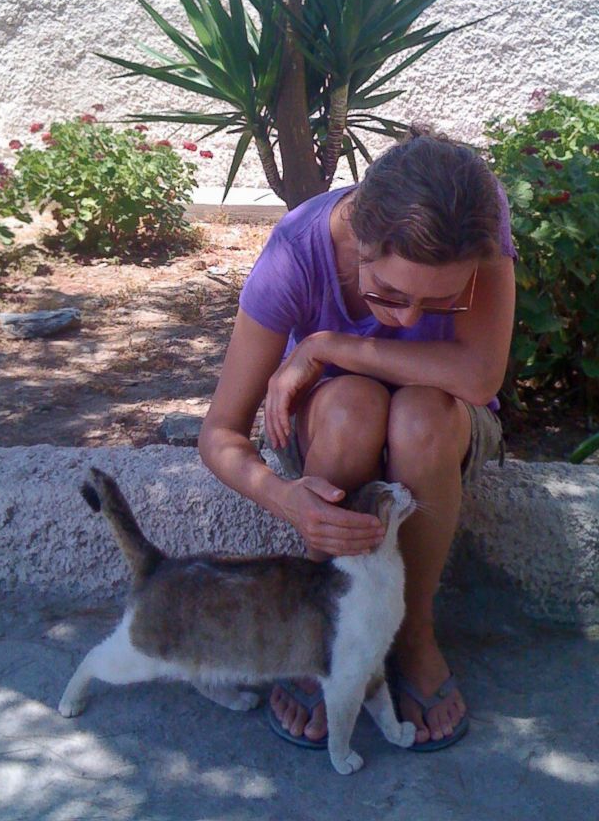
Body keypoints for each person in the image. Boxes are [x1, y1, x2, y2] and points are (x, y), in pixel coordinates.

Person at [198, 128, 517, 751]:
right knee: (351, 403)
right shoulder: (297, 249)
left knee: (419, 415)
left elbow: (478, 377)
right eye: (389, 295)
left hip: (439, 433)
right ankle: (323, 628)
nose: (408, 320)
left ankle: (414, 634)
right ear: (360, 243)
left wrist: (328, 345)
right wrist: (283, 497)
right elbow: (219, 434)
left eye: (441, 301)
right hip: (331, 433)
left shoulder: (480, 223)